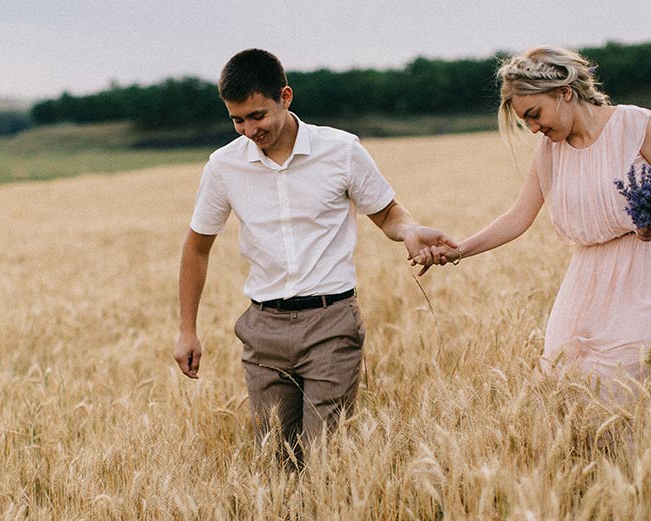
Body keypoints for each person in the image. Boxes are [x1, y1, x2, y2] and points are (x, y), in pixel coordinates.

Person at [174, 49, 455, 465]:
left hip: (331, 323)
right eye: (237, 119)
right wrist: (187, 329)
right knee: (277, 462)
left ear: (285, 97)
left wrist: (411, 231)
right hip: (263, 329)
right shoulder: (223, 166)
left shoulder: (341, 150)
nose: (249, 129)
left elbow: (388, 213)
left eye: (257, 115)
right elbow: (197, 246)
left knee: (326, 457)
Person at [415, 47, 651, 398]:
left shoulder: (636, 125)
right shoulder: (551, 150)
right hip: (585, 281)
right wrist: (457, 250)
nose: (534, 129)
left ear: (564, 92)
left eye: (535, 115)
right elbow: (518, 217)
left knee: (633, 394)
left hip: (645, 275)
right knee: (569, 386)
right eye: (527, 123)